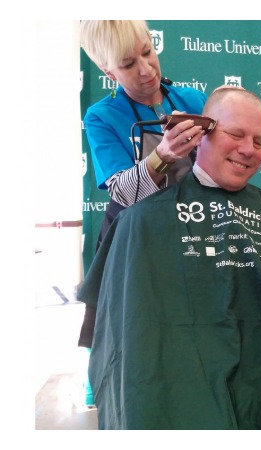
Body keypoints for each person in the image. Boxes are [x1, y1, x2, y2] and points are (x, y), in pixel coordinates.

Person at [76, 86, 261, 429]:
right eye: (236, 134)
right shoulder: (143, 220)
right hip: (178, 377)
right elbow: (129, 341)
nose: (248, 149)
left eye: (259, 142)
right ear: (200, 135)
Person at [77, 21, 208, 373]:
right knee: (134, 346)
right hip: (132, 240)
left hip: (192, 234)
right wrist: (161, 155)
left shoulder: (192, 100)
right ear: (108, 71)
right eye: (129, 63)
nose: (147, 69)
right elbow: (122, 190)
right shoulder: (102, 116)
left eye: (147, 53)